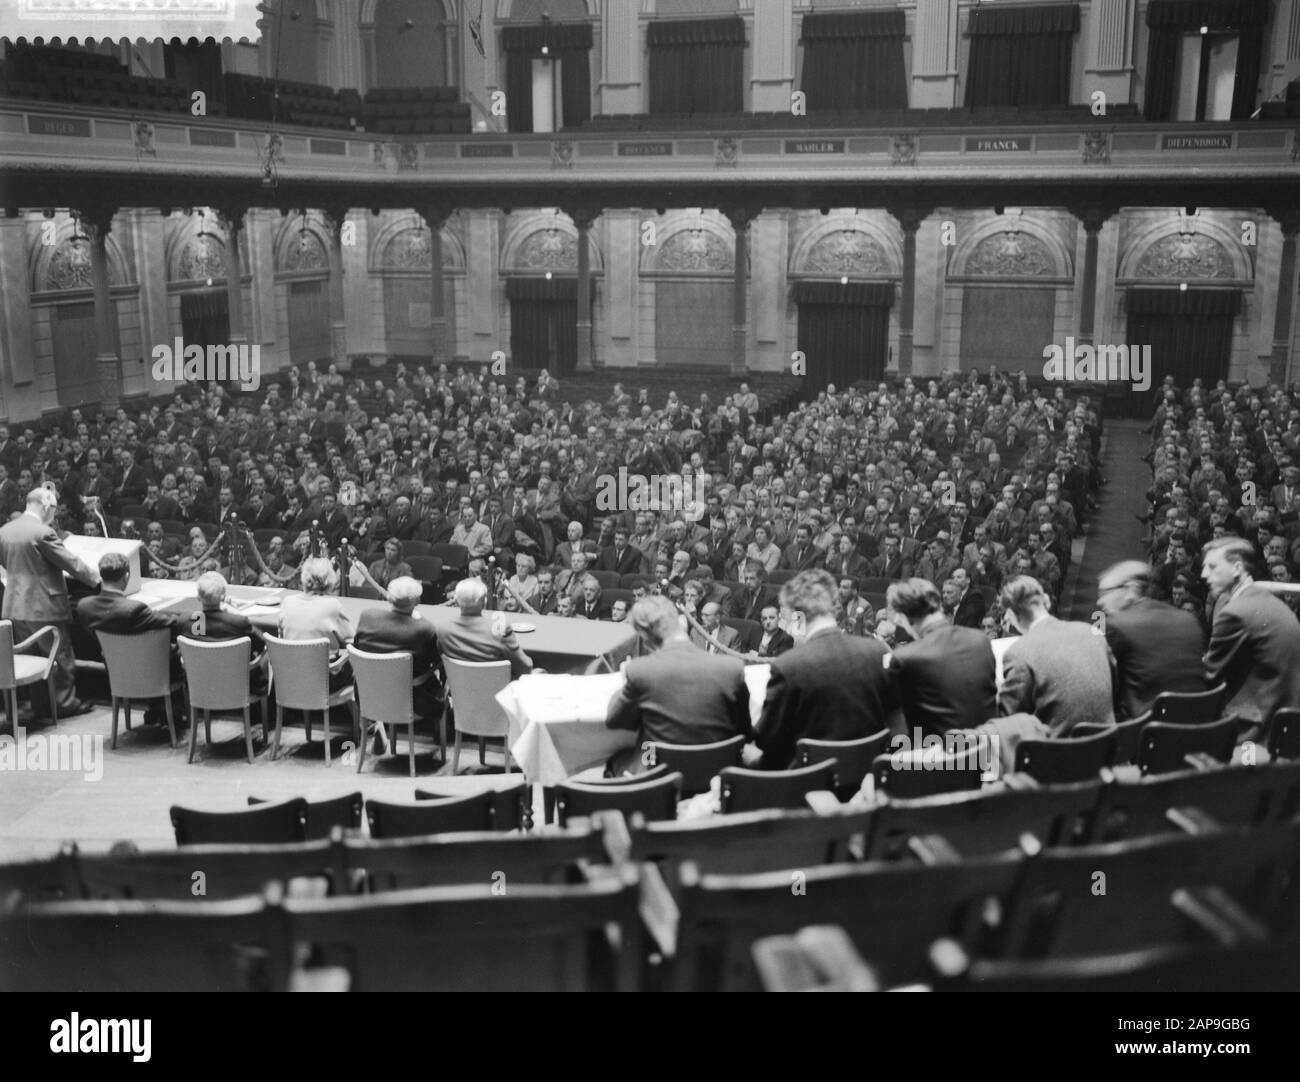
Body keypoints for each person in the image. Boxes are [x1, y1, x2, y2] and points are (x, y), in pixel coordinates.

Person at [755, 569, 901, 770]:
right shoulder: (876, 652)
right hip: (867, 771)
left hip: (807, 777)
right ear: (834, 604)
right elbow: (895, 720)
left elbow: (768, 740)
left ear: (798, 613)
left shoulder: (788, 665)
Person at [604, 594, 751, 775]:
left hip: (655, 769)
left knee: (618, 760)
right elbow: (745, 731)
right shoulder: (732, 668)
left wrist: (625, 681)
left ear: (645, 636)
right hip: (717, 772)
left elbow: (615, 720)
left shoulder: (640, 671)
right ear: (680, 623)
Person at [0, 487, 99, 717]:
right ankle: (64, 703)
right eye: (53, 509)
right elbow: (71, 563)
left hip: (14, 604)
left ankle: (41, 705)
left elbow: (7, 563)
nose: (53, 514)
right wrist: (97, 580)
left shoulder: (5, 530)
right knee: (59, 655)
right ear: (45, 506)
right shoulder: (42, 532)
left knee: (32, 656)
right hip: (43, 605)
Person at [1201, 536, 1300, 744]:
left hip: (1252, 739)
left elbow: (1208, 678)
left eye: (1212, 567)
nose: (1204, 575)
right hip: (1286, 729)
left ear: (1237, 569)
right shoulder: (1267, 601)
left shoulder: (1234, 614)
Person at [998, 575, 1116, 736]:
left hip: (1055, 753)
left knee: (962, 748)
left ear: (1011, 613)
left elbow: (1006, 718)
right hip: (1107, 746)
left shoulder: (1018, 652)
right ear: (1045, 602)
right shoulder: (1091, 631)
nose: (1005, 618)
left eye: (1006, 614)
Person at [1097, 559, 1205, 720]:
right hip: (1201, 727)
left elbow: (1102, 686)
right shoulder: (1187, 619)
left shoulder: (1117, 625)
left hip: (1146, 733)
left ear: (1130, 589)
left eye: (1105, 593)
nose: (1100, 601)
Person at [887, 578, 996, 737]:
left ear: (906, 616)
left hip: (938, 756)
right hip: (986, 753)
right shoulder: (980, 640)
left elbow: (900, 722)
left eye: (898, 616)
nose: (897, 621)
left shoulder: (905, 658)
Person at [353, 576, 444, 751]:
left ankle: (375, 723)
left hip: (368, 695)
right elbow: (436, 659)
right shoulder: (424, 628)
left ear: (389, 597)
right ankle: (442, 731)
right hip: (410, 699)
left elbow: (357, 646)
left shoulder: (367, 616)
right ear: (416, 601)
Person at [279, 557, 354, 691]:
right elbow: (351, 640)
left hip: (290, 676)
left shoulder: (287, 602)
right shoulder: (332, 606)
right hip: (322, 680)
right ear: (329, 580)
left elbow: (281, 635)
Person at [440, 576, 534, 679]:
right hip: (499, 692)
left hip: (460, 692)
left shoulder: (443, 629)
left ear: (456, 602)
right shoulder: (500, 630)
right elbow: (525, 667)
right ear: (484, 602)